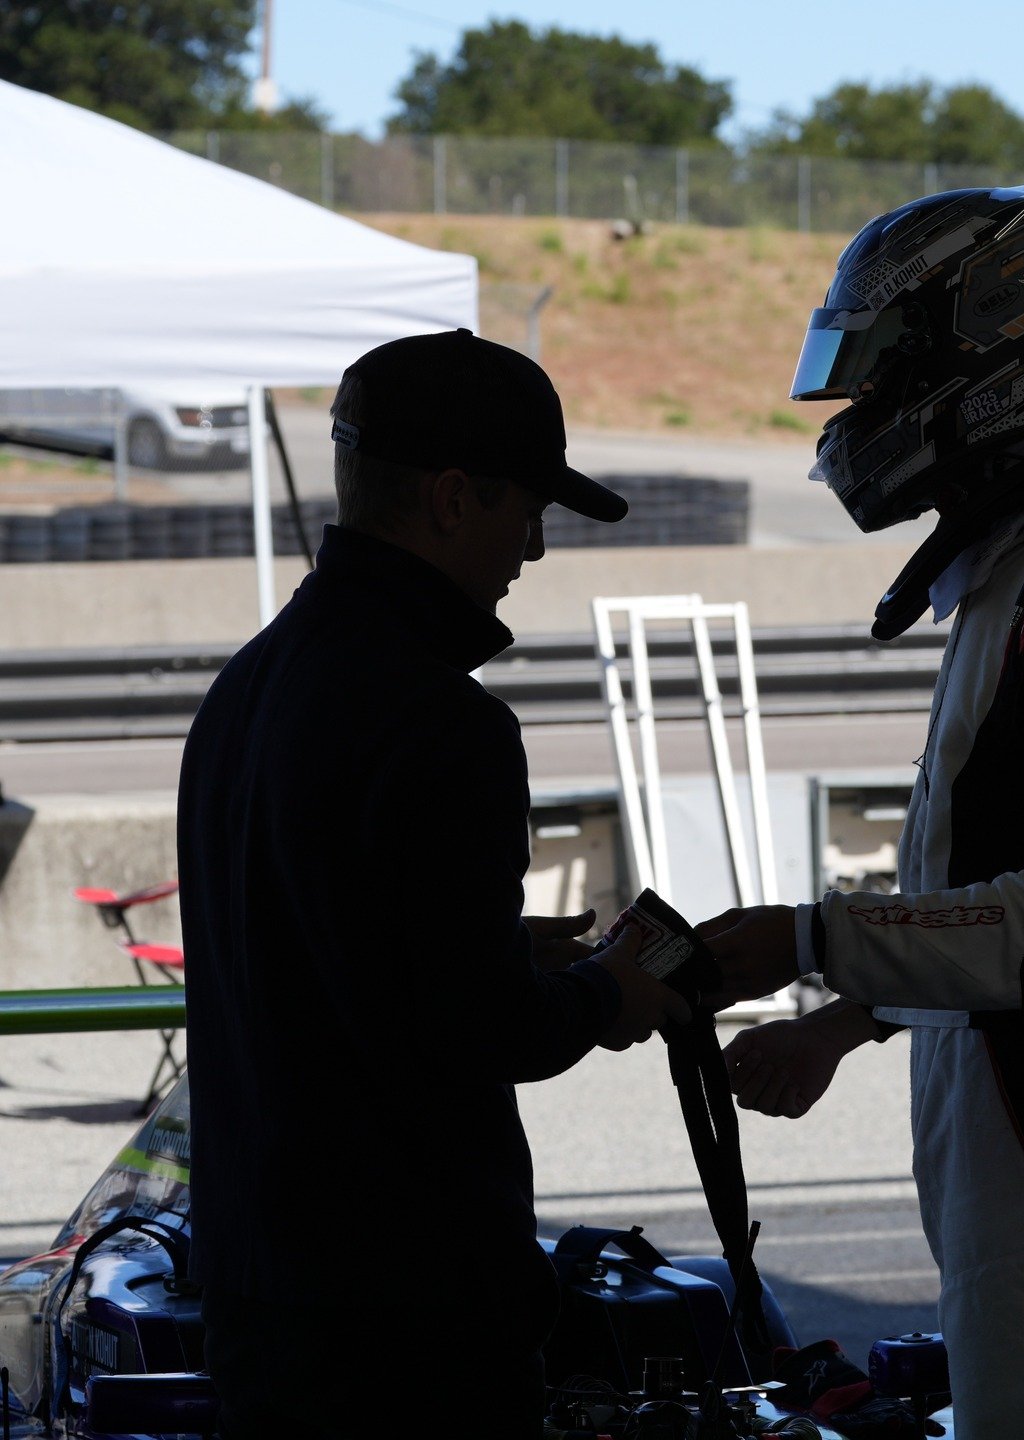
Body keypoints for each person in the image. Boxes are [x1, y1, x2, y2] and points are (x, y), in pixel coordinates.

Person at [697, 184, 1024, 1439]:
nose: (865, 419)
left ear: (1001, 370)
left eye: (891, 381)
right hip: (1006, 1115)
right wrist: (847, 1021)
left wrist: (803, 939)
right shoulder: (1018, 572)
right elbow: (996, 894)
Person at [177, 329, 689, 1439]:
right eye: (526, 512)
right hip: (407, 1323)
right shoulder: (445, 721)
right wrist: (612, 997)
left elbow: (325, 959)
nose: (535, 550)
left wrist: (501, 949)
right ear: (454, 498)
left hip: (259, 1290)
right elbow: (478, 1028)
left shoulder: (247, 688)